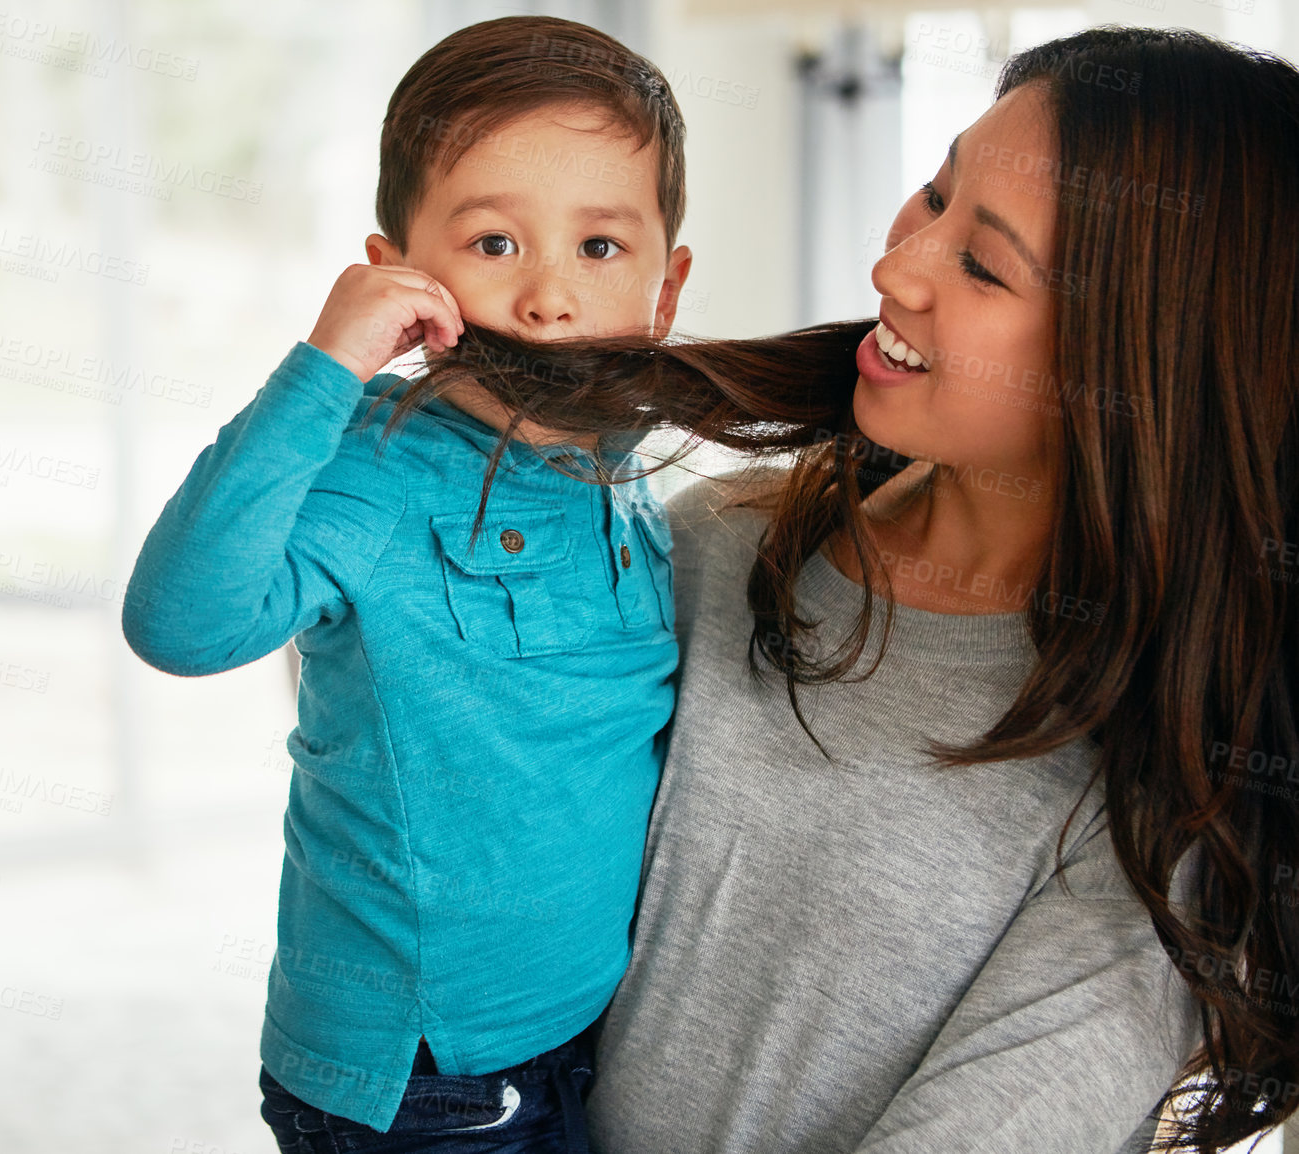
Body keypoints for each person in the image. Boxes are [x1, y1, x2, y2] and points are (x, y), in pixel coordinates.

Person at [415, 25, 1299, 1154]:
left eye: (982, 264)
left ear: (1130, 361)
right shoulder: (707, 547)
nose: (897, 268)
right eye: (932, 193)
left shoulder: (1162, 794)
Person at [121, 16, 694, 1150]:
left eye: (599, 247)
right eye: (493, 244)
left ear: (665, 286)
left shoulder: (622, 473)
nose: (547, 298)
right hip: (422, 1074)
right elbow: (180, 623)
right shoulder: (375, 464)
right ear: (398, 271)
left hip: (583, 1030)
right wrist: (329, 363)